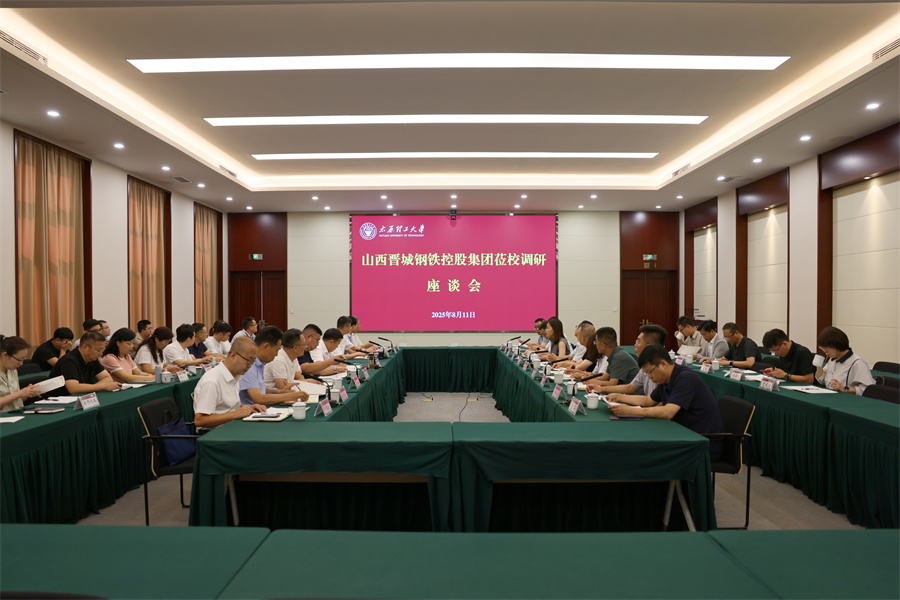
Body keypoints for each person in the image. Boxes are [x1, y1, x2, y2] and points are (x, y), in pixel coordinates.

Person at [609, 344, 725, 460]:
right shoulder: (666, 379)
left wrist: (631, 411)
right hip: (684, 434)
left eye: (650, 372)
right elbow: (648, 400)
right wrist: (619, 397)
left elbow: (668, 412)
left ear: (663, 364)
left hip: (702, 443)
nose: (649, 377)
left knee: (647, 454)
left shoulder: (685, 378)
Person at [193, 337, 266, 431]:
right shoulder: (212, 381)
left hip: (231, 427)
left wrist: (248, 408)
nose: (250, 365)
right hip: (213, 434)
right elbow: (200, 420)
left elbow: (226, 406)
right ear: (233, 356)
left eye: (253, 362)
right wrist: (235, 414)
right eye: (248, 360)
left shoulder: (235, 375)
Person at [238, 325, 308, 406]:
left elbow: (257, 387)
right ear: (266, 347)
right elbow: (258, 398)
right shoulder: (249, 365)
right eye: (276, 350)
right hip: (250, 410)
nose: (276, 354)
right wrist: (291, 396)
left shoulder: (260, 363)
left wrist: (277, 392)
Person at [596, 323, 667, 399]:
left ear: (649, 346)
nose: (635, 345)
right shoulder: (645, 366)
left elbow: (654, 402)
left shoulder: (662, 370)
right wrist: (601, 389)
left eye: (638, 342)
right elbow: (630, 387)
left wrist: (619, 398)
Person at [47, 331, 121, 396]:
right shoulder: (69, 360)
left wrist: (94, 388)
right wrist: (103, 386)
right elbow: (73, 388)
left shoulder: (92, 358)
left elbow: (107, 378)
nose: (101, 354)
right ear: (85, 347)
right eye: (99, 350)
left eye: (102, 350)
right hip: (59, 401)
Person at [814, 326, 875, 396]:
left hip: (848, 399)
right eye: (822, 348)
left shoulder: (857, 363)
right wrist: (818, 366)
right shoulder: (832, 359)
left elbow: (868, 389)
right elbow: (822, 381)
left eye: (826, 348)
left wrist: (844, 389)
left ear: (836, 345)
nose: (824, 351)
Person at [0, 336, 41, 412]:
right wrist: (19, 394)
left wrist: (27, 393)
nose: (21, 364)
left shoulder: (12, 370)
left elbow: (15, 401)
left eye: (23, 360)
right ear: (5, 355)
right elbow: (15, 396)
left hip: (16, 413)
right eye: (19, 360)